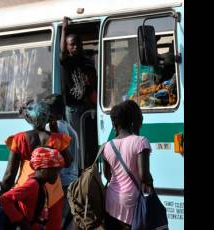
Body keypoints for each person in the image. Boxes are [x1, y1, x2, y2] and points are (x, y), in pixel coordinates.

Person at [0, 100, 72, 230]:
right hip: (54, 193)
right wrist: (56, 133)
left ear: (28, 118)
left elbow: (10, 174)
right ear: (48, 117)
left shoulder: (20, 139)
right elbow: (68, 162)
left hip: (27, 193)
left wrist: (2, 197)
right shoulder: (56, 138)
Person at [102, 100, 153, 230]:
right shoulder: (141, 142)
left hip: (111, 200)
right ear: (132, 120)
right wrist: (151, 185)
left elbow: (107, 175)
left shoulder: (107, 145)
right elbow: (144, 176)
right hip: (132, 201)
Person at [0, 147, 65, 230]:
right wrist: (22, 223)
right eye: (55, 171)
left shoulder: (42, 186)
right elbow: (4, 199)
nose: (57, 175)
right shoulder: (32, 185)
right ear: (44, 168)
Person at [44, 94, 79, 230]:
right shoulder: (69, 127)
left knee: (57, 222)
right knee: (67, 222)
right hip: (72, 180)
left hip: (61, 182)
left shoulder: (53, 127)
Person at [59, 16, 97, 139]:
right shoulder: (67, 61)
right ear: (67, 46)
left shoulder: (85, 61)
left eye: (78, 44)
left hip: (85, 105)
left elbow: (91, 83)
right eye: (72, 44)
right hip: (72, 108)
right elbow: (62, 52)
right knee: (76, 137)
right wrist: (64, 29)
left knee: (87, 136)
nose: (75, 46)